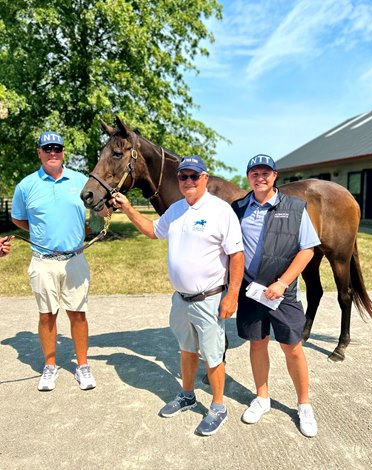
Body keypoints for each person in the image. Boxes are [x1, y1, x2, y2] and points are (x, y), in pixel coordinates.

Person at [109, 155, 244, 436]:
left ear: (205, 178)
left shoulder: (221, 211)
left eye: (195, 176)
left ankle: (218, 407)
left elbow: (237, 255)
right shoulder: (175, 210)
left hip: (209, 298)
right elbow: (153, 231)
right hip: (180, 299)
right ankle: (187, 394)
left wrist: (233, 295)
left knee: (213, 354)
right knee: (186, 348)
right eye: (183, 176)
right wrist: (129, 208)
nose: (188, 181)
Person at [231, 154, 320, 438]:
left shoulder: (294, 208)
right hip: (250, 290)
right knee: (257, 344)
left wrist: (283, 282)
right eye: (254, 173)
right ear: (248, 178)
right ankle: (262, 397)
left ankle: (304, 404)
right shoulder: (238, 208)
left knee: (292, 347)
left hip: (282, 291)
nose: (260, 177)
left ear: (275, 176)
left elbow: (307, 249)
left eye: (265, 173)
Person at [11, 131, 96, 392]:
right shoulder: (26, 185)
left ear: (63, 152)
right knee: (47, 315)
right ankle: (50, 366)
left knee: (78, 314)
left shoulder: (81, 181)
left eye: (57, 148)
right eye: (47, 148)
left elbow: (95, 214)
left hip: (75, 259)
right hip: (43, 261)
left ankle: (82, 366)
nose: (52, 153)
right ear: (39, 152)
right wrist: (40, 233)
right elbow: (18, 218)